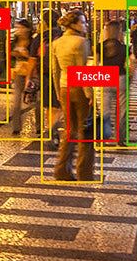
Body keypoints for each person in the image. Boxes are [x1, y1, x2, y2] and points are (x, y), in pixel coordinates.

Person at [50, 10, 94, 181]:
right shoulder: (81, 42)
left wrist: (58, 92)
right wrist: (89, 93)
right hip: (79, 90)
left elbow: (55, 71)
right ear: (73, 24)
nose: (85, 25)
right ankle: (84, 172)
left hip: (63, 88)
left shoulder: (57, 43)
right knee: (85, 131)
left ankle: (61, 170)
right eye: (82, 22)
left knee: (69, 130)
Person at [8, 19, 39, 136]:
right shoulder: (15, 41)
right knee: (16, 102)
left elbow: (35, 57)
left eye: (21, 27)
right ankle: (16, 127)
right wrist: (15, 54)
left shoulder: (33, 41)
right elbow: (9, 55)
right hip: (19, 73)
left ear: (28, 29)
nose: (19, 30)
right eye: (18, 27)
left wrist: (26, 55)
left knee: (36, 102)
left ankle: (39, 127)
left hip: (32, 74)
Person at [99, 20, 126, 145]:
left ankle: (103, 139)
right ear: (119, 31)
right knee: (122, 111)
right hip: (120, 78)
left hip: (106, 77)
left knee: (105, 110)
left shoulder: (100, 46)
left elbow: (96, 64)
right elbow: (129, 65)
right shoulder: (124, 47)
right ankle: (120, 140)